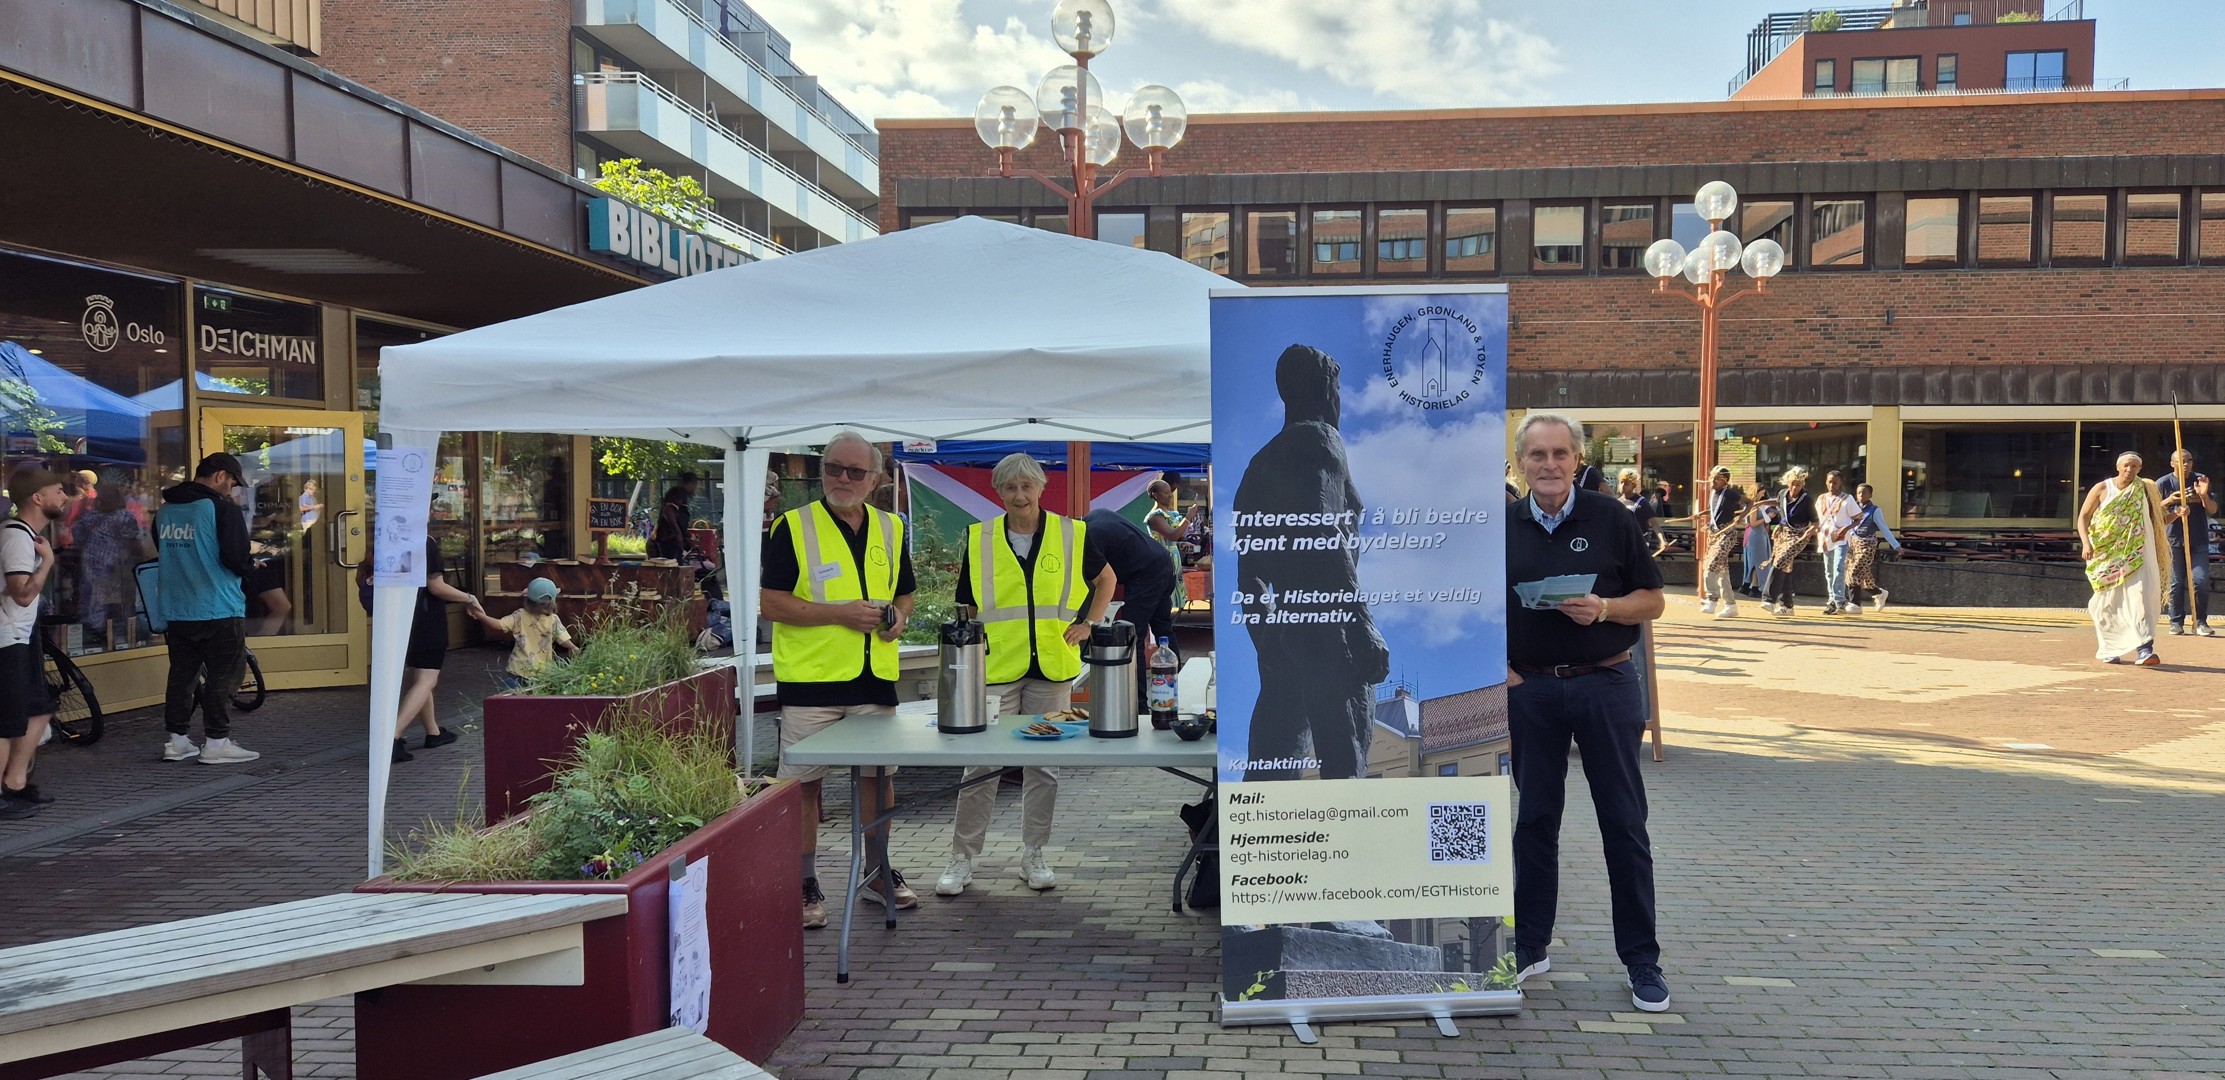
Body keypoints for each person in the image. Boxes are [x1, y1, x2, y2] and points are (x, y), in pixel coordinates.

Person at [1502, 412, 1671, 1014]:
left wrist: (1604, 608)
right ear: (1521, 462)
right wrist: (1500, 667)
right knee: (1534, 821)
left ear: (1577, 460)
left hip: (1605, 683)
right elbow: (1476, 605)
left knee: (1623, 823)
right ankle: (1530, 945)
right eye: (1537, 454)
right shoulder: (1501, 525)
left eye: (1560, 454)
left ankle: (1641, 959)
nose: (1549, 465)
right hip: (1531, 690)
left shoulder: (1612, 517)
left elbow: (1654, 601)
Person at [939, 453, 1115, 897]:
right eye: (1010, 487)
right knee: (981, 765)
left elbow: (1106, 580)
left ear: (1040, 488)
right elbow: (967, 604)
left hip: (1052, 666)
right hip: (998, 668)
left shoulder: (1072, 533)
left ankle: (1034, 853)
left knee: (1044, 767)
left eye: (1026, 486)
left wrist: (1089, 624)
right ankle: (962, 857)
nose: (1019, 495)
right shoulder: (979, 538)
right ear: (998, 492)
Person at [763, 431, 916, 929]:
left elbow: (905, 593)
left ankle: (876, 872)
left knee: (878, 778)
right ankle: (804, 880)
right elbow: (771, 603)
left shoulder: (891, 527)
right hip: (811, 680)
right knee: (803, 786)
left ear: (875, 479)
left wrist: (899, 618)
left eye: (854, 471)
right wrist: (838, 614)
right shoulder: (792, 526)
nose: (842, 479)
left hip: (874, 677)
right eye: (833, 468)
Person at [1232, 344, 1389, 782]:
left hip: (1284, 629)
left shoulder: (1257, 466)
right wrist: (1361, 623)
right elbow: (1322, 530)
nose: (1340, 400)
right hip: (1331, 629)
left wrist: (1267, 640)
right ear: (1324, 387)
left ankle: (1256, 829)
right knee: (1347, 763)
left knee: (1271, 765)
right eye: (1338, 389)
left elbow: (1249, 575)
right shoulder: (1320, 439)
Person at [154, 455, 260, 764]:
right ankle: (216, 743)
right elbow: (236, 558)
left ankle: (177, 741)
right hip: (219, 605)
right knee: (224, 677)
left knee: (181, 676)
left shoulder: (165, 511)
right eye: (233, 483)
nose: (232, 490)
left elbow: (165, 551)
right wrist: (252, 566)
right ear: (220, 476)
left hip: (177, 607)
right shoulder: (221, 509)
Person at [3, 467, 68, 812]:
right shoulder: (17, 537)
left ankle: (15, 782)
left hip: (19, 634)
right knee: (9, 719)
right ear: (37, 497)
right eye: (58, 490)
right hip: (7, 635)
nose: (65, 496)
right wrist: (48, 562)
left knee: (37, 710)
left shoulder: (24, 534)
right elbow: (23, 594)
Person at [1082, 505, 1179, 717]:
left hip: (1144, 574)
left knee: (1132, 639)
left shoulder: (1089, 538)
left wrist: (1085, 620)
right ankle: (1175, 694)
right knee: (1163, 631)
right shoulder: (1096, 515)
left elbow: (1094, 585)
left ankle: (1138, 706)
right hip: (1163, 561)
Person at [2078, 451, 2170, 665]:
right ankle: (2109, 648)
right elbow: (2084, 517)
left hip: (2137, 552)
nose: (2129, 470)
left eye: (2134, 466)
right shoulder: (2102, 488)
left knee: (2141, 597)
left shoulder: (2145, 489)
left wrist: (2177, 514)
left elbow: (2156, 521)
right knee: (2107, 602)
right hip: (2106, 553)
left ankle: (2145, 649)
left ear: (2140, 469)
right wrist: (2086, 543)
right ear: (2118, 467)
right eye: (2126, 465)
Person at [467, 578, 577, 691]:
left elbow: (499, 625)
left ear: (528, 600)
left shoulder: (520, 616)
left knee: (510, 699)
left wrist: (480, 615)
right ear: (552, 602)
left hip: (518, 670)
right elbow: (562, 638)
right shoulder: (553, 619)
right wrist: (573, 647)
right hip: (542, 672)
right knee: (538, 699)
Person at [76, 480, 149, 649]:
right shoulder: (124, 517)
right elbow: (134, 542)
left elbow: (79, 538)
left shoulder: (88, 517)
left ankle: (94, 633)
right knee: (121, 604)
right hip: (116, 567)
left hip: (90, 564)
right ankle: (121, 638)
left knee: (92, 600)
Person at [2157, 449, 2215, 637]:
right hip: (2173, 540)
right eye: (2181, 461)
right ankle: (2176, 622)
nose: (2185, 464)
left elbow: (2213, 510)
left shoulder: (2200, 479)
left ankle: (2201, 621)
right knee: (2175, 583)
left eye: (2188, 460)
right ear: (2172, 463)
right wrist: (2170, 501)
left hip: (2198, 540)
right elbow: (2153, 510)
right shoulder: (2163, 483)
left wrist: (2204, 495)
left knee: (2200, 580)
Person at [1686, 466, 1746, 617]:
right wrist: (1701, 514)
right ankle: (1731, 605)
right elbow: (1715, 511)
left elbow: (1750, 503)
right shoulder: (1713, 493)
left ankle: (1712, 599)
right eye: (1712, 478)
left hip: (1727, 533)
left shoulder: (1730, 493)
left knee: (1711, 564)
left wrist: (1741, 516)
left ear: (1725, 481)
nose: (1712, 481)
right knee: (1722, 571)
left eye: (1717, 479)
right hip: (1714, 534)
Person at [1763, 468, 1818, 617]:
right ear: (1787, 482)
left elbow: (1815, 521)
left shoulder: (1807, 500)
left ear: (1803, 485)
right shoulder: (1782, 494)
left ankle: (1769, 599)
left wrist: (1811, 530)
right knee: (1785, 567)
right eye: (1793, 484)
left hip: (1799, 535)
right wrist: (1759, 503)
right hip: (1784, 533)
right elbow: (1779, 504)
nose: (1795, 487)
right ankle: (1787, 605)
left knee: (1780, 560)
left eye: (1798, 485)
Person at [1844, 483, 1902, 613]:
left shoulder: (1875, 510)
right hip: (1853, 544)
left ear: (1870, 495)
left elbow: (1884, 529)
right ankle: (1879, 593)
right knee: (1863, 577)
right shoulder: (1853, 509)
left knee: (1854, 572)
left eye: (1864, 492)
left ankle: (1855, 604)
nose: (1861, 495)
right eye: (1859, 492)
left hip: (1867, 545)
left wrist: (1896, 545)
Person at [1142, 479, 1197, 610]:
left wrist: (1181, 544)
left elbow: (1172, 539)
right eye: (1166, 492)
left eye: (1170, 492)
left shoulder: (1169, 513)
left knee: (1171, 598)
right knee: (1164, 598)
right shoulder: (1155, 516)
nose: (1170, 495)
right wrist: (1188, 517)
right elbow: (1172, 535)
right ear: (1155, 495)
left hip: (1172, 559)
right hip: (1162, 561)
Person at [1815, 470, 1861, 615]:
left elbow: (1858, 519)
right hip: (1825, 538)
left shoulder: (1847, 499)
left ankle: (1839, 599)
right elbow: (1819, 519)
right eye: (1830, 482)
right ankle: (1832, 600)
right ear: (1826, 482)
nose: (1832, 485)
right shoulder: (1821, 499)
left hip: (1841, 539)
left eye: (1835, 482)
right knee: (1829, 571)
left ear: (1840, 483)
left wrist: (1845, 528)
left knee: (1839, 567)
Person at [652, 471, 699, 560]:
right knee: (672, 565)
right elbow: (668, 510)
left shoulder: (681, 494)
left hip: (673, 539)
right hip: (669, 538)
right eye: (696, 485)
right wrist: (678, 533)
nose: (695, 489)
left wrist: (685, 536)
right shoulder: (678, 493)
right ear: (691, 483)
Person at [1741, 486, 1778, 599]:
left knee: (1758, 561)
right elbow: (1753, 523)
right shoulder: (1753, 506)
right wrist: (1767, 518)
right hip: (1757, 535)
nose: (1763, 495)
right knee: (1758, 561)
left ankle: (1752, 585)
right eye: (1761, 493)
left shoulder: (1759, 506)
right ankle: (1755, 586)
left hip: (1761, 534)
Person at [1616, 470, 1659, 556]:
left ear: (1633, 485)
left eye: (1626, 484)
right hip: (1622, 543)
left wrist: (1662, 540)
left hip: (1639, 543)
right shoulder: (1616, 502)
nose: (1622, 486)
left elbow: (1655, 524)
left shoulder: (1642, 502)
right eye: (1621, 483)